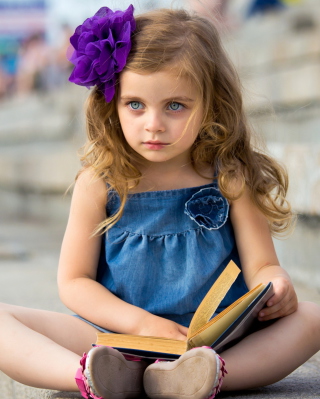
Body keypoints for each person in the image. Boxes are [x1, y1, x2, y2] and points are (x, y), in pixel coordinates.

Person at [0, 5, 319, 399]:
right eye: (136, 104)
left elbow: (263, 265)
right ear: (112, 105)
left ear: (209, 106)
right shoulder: (99, 183)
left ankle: (201, 377)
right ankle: (88, 376)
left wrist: (277, 286)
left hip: (209, 342)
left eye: (175, 106)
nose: (153, 124)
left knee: (312, 317)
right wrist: (142, 325)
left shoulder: (230, 177)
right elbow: (74, 283)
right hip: (115, 338)